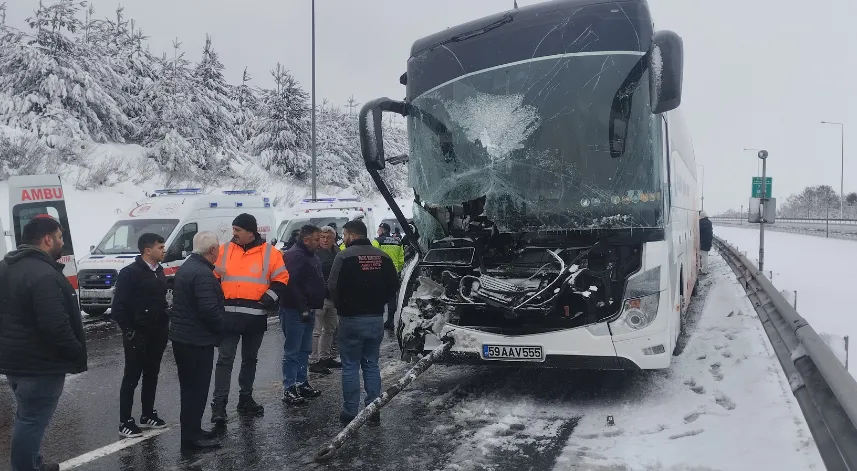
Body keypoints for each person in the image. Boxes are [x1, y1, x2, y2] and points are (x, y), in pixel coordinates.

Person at [0, 215, 87, 471]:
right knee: (31, 421)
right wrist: (76, 350)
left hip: (15, 361)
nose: (62, 243)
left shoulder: (6, 266)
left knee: (27, 417)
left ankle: (32, 463)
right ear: (47, 239)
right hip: (40, 364)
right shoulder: (43, 274)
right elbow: (55, 326)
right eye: (59, 238)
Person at [210, 213, 293, 424]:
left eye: (238, 230)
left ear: (251, 232)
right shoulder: (224, 250)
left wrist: (268, 299)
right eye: (233, 229)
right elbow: (212, 278)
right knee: (224, 360)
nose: (234, 233)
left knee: (249, 360)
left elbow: (282, 279)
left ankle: (245, 399)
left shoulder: (270, 253)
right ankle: (219, 406)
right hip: (227, 317)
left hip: (254, 317)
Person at [329, 220, 399, 425]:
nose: (343, 238)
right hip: (375, 318)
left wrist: (343, 307)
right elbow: (393, 285)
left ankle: (350, 412)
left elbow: (333, 286)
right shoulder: (383, 257)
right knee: (371, 364)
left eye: (344, 235)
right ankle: (373, 410)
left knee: (350, 366)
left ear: (351, 235)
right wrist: (378, 304)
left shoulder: (343, 256)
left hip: (351, 318)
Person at [170, 232, 225, 450]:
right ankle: (191, 438)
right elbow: (208, 310)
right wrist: (223, 327)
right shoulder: (202, 273)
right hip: (195, 341)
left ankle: (193, 430)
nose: (219, 251)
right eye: (218, 247)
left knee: (190, 389)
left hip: (185, 338)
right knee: (196, 389)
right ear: (212, 250)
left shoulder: (189, 266)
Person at [111, 233, 170, 438]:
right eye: (160, 247)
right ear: (148, 250)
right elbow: (118, 307)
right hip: (137, 334)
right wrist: (130, 331)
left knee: (152, 375)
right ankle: (125, 421)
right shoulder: (130, 273)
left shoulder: (160, 271)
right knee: (132, 377)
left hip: (157, 333)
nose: (164, 250)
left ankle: (147, 414)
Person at [280, 225, 326, 405]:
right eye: (316, 239)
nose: (319, 242)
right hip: (295, 310)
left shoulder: (310, 255)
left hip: (309, 308)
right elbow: (289, 284)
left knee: (304, 349)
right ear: (306, 240)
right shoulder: (294, 256)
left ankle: (301, 382)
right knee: (292, 350)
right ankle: (289, 387)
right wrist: (301, 308)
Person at [309, 226, 342, 375]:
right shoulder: (314, 252)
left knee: (330, 329)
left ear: (334, 239)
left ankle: (325, 356)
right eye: (322, 237)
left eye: (328, 237)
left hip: (333, 297)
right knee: (316, 331)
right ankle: (313, 360)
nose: (325, 240)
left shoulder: (338, 252)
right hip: (319, 297)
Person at [375, 223, 404, 330]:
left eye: (379, 230)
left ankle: (378, 320)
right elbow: (401, 259)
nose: (378, 232)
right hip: (393, 273)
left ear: (382, 230)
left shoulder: (377, 241)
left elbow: (373, 256)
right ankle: (390, 320)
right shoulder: (398, 241)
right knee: (392, 298)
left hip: (380, 274)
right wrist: (398, 270)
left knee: (379, 298)